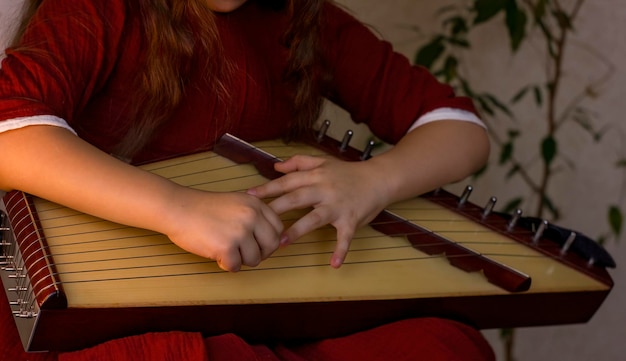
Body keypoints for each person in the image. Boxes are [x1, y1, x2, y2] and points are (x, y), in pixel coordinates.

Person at [0, 0, 493, 360]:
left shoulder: (303, 20)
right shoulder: (101, 8)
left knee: (440, 344)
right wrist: (177, 207)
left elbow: (459, 128)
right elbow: (9, 130)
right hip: (108, 308)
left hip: (265, 296)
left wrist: (375, 180)